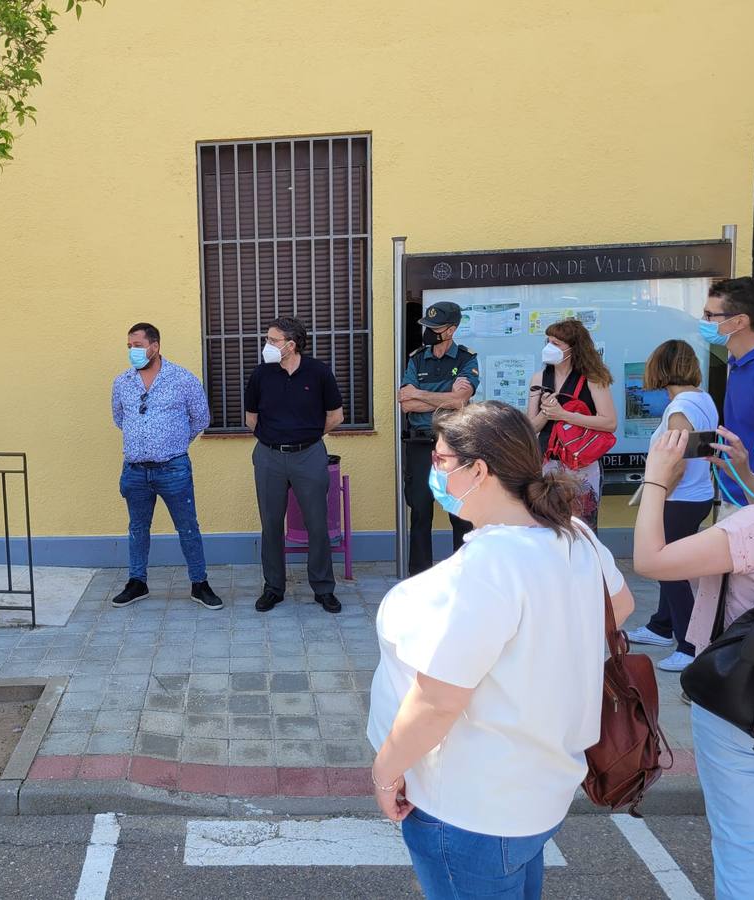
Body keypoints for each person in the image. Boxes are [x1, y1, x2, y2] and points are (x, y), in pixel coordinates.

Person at [368, 401, 634, 899]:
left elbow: (437, 700)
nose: (435, 471)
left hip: (472, 806)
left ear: (480, 470)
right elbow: (619, 607)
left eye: (442, 461)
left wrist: (386, 773)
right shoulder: (571, 534)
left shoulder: (489, 566)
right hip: (539, 791)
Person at [633, 427, 754, 900]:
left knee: (743, 844)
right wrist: (752, 478)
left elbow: (651, 561)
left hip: (742, 698)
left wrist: (655, 480)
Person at [109, 323, 221, 610]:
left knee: (187, 527)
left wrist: (172, 442)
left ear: (155, 346)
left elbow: (201, 418)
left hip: (173, 468)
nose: (132, 351)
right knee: (137, 527)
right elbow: (120, 418)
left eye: (137, 345)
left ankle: (199, 583)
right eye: (129, 346)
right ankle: (137, 582)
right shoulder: (122, 382)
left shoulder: (182, 379)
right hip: (134, 469)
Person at [625, 340, 719, 672]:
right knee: (673, 567)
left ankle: (690, 646)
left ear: (661, 368)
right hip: (696, 495)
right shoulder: (702, 398)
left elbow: (675, 462)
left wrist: (656, 496)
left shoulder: (680, 408)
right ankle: (660, 627)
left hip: (678, 499)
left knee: (669, 570)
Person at [245, 316, 344, 614]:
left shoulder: (319, 372)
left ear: (291, 344)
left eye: (273, 340)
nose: (267, 345)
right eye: (267, 339)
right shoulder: (261, 374)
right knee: (271, 524)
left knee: (317, 523)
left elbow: (336, 415)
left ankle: (324, 588)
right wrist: (275, 439)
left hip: (309, 455)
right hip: (269, 456)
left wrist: (309, 437)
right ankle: (273, 588)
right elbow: (251, 419)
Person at [398, 301, 479, 575]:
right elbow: (405, 403)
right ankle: (419, 575)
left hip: (454, 445)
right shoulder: (417, 358)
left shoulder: (466, 359)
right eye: (427, 327)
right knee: (420, 512)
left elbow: (460, 401)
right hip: (421, 444)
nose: (429, 332)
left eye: (436, 328)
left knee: (460, 515)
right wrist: (445, 396)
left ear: (452, 330)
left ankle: (463, 573)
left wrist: (420, 393)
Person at [527, 318, 618, 532]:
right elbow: (531, 427)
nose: (550, 348)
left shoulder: (593, 378)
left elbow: (609, 422)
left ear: (573, 348)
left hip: (582, 464)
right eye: (548, 342)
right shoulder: (539, 378)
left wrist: (564, 414)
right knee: (546, 526)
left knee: (582, 526)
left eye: (556, 344)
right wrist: (547, 414)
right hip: (547, 462)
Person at [701, 277, 754, 516]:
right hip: (734, 496)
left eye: (710, 316)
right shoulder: (738, 363)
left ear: (740, 321)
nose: (705, 322)